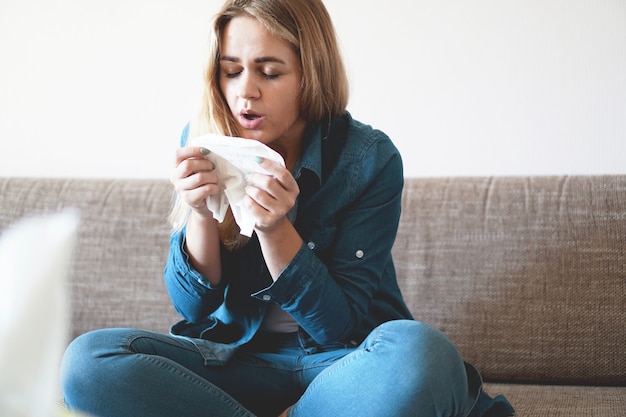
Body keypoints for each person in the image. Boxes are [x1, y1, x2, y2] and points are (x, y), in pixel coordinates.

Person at [61, 1, 513, 416]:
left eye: (269, 72)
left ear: (309, 74)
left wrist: (275, 228)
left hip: (344, 364)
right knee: (89, 361)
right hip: (237, 361)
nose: (246, 92)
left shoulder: (369, 159)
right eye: (231, 71)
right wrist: (200, 212)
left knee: (422, 355)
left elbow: (335, 326)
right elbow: (194, 308)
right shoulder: (203, 136)